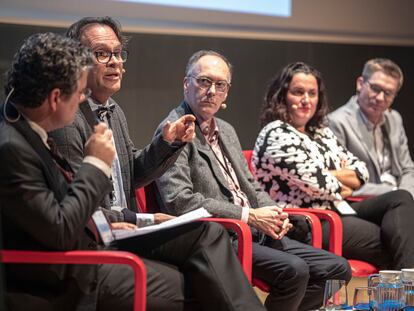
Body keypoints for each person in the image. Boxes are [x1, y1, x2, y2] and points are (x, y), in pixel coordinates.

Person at [0, 32, 265, 311]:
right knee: (200, 280)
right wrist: (95, 164)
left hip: (98, 238)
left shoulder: (35, 129)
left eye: (118, 53)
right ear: (55, 97)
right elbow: (61, 226)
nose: (81, 98)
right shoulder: (15, 146)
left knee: (206, 237)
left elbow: (76, 203)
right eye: (79, 91)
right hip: (66, 270)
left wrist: (138, 217)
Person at [155, 50, 351, 311]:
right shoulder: (173, 130)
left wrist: (276, 214)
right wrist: (248, 216)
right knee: (294, 271)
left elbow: (252, 186)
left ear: (226, 92)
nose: (211, 91)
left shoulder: (226, 130)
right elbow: (180, 201)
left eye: (220, 85)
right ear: (186, 84)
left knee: (337, 269)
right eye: (204, 81)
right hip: (223, 236)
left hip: (257, 232)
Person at [252, 61, 414, 271]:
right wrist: (338, 178)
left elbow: (361, 171)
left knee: (400, 198)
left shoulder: (319, 131)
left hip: (335, 208)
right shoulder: (276, 133)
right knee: (393, 240)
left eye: (312, 93)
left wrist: (328, 174)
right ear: (282, 95)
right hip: (307, 221)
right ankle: (407, 293)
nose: (306, 100)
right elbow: (323, 186)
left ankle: (405, 291)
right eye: (298, 92)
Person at [328, 58, 414, 197]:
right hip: (365, 201)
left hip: (401, 197)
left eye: (388, 93)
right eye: (375, 88)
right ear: (360, 84)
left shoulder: (395, 119)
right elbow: (339, 179)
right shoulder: (337, 122)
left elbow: (407, 169)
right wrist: (394, 193)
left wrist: (407, 195)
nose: (380, 98)